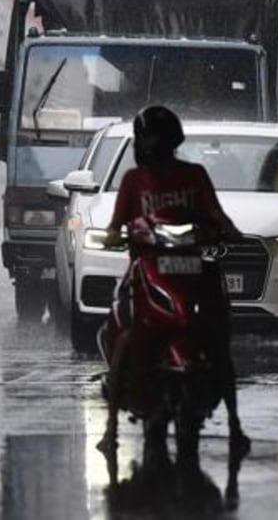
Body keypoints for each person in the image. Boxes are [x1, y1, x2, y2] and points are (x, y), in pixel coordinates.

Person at [98, 105, 249, 460]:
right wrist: (112, 235)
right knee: (128, 336)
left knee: (218, 337)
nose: (153, 145)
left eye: (158, 138)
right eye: (148, 138)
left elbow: (215, 214)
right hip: (148, 267)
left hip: (194, 266)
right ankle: (111, 428)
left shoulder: (195, 175)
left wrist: (230, 232)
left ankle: (235, 423)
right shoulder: (133, 181)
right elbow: (116, 224)